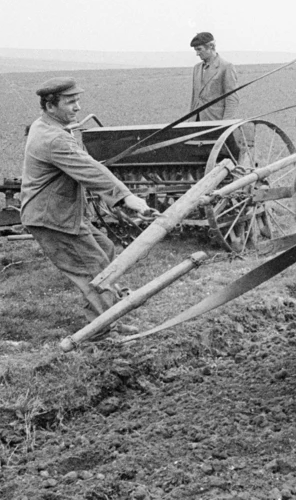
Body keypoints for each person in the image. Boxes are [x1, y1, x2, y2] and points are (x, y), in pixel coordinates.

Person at [21, 77, 156, 333]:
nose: (78, 107)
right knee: (94, 267)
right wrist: (126, 197)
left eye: (78, 100)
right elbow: (90, 170)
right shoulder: (53, 138)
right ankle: (103, 329)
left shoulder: (48, 127)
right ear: (51, 106)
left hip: (61, 213)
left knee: (104, 248)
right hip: (52, 217)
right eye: (70, 102)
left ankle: (105, 310)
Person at [189, 31, 239, 121]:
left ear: (211, 46)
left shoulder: (226, 67)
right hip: (195, 122)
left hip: (215, 121)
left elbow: (232, 99)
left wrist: (226, 124)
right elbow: (195, 98)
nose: (197, 53)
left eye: (199, 49)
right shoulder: (196, 68)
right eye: (195, 50)